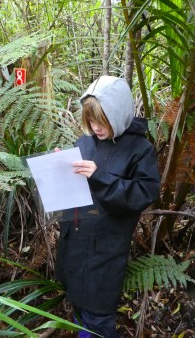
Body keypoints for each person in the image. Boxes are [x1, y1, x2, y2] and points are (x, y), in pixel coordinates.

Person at [55, 76, 161, 337]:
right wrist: (60, 166)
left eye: (102, 121)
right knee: (78, 306)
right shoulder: (85, 142)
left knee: (99, 315)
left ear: (119, 113)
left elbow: (143, 194)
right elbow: (73, 187)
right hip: (75, 240)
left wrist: (99, 176)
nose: (96, 128)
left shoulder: (140, 149)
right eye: (91, 121)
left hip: (106, 248)